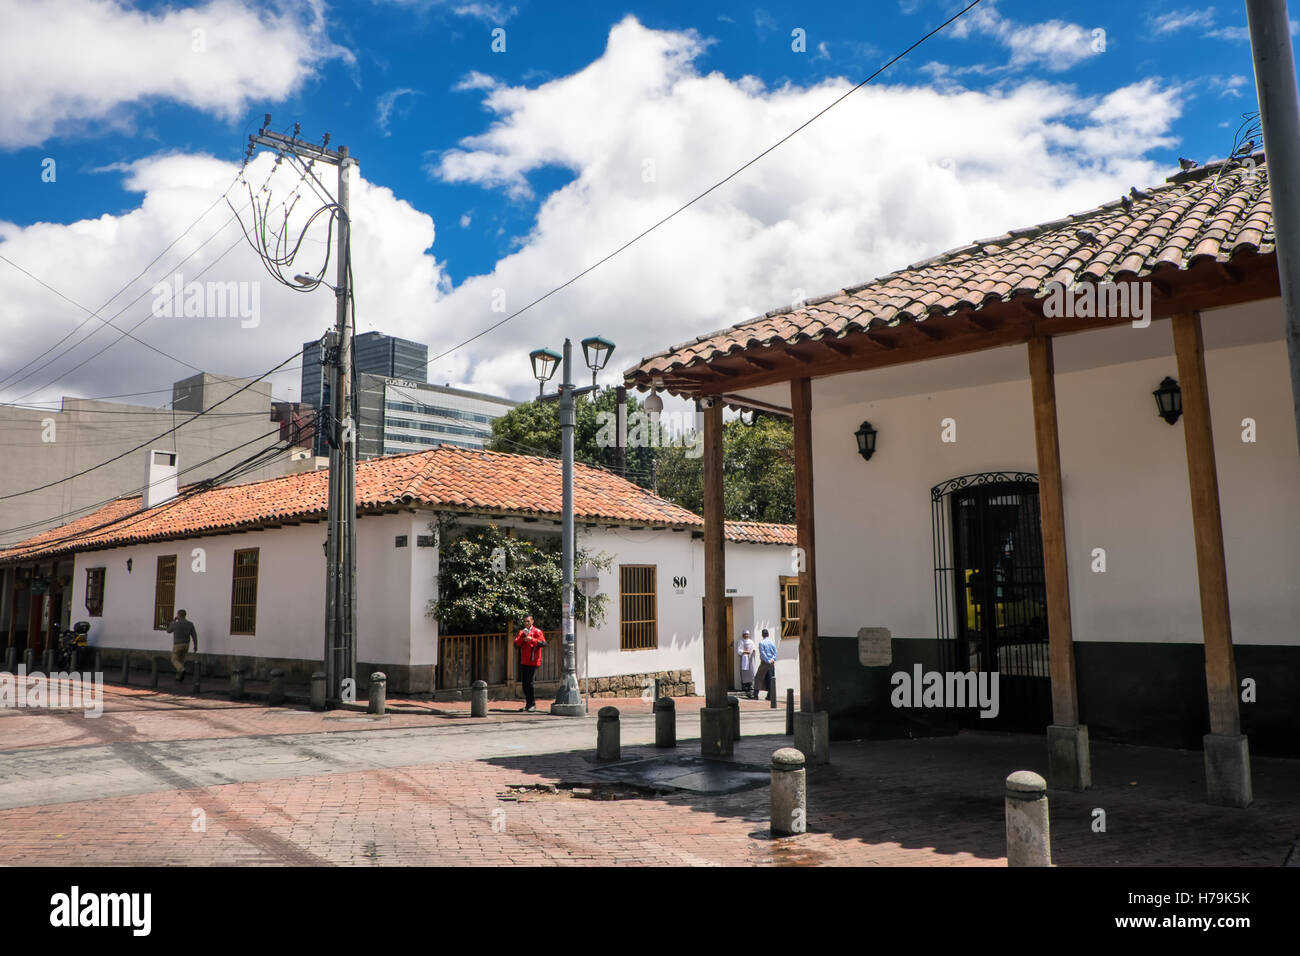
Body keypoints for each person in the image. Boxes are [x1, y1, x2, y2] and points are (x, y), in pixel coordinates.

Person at [514, 614, 546, 712]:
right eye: (525, 621)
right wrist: (523, 638)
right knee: (524, 684)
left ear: (532, 621)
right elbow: (516, 644)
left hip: (533, 661)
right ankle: (528, 704)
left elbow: (543, 643)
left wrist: (532, 639)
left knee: (530, 683)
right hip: (524, 661)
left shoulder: (537, 631)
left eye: (528, 621)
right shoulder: (522, 632)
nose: (526, 623)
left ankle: (532, 704)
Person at [166, 609, 198, 683]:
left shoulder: (175, 624)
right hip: (186, 644)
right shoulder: (190, 624)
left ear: (178, 615)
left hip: (177, 644)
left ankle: (182, 670)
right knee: (181, 661)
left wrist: (173, 621)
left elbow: (168, 630)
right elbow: (194, 635)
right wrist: (195, 645)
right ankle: (179, 677)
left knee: (174, 660)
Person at [753, 628, 778, 699]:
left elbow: (763, 653)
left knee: (758, 678)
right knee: (770, 679)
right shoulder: (771, 642)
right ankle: (770, 695)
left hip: (765, 663)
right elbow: (775, 652)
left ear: (762, 635)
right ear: (768, 634)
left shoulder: (762, 643)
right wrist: (773, 659)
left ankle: (755, 695)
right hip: (772, 663)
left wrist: (767, 660)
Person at [737, 629, 757, 696]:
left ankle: (750, 685)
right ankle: (744, 686)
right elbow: (739, 650)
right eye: (745, 634)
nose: (746, 635)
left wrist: (751, 652)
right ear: (743, 635)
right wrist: (744, 652)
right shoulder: (741, 641)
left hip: (750, 658)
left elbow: (754, 648)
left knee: (750, 671)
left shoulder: (751, 642)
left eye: (747, 634)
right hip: (744, 658)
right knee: (744, 672)